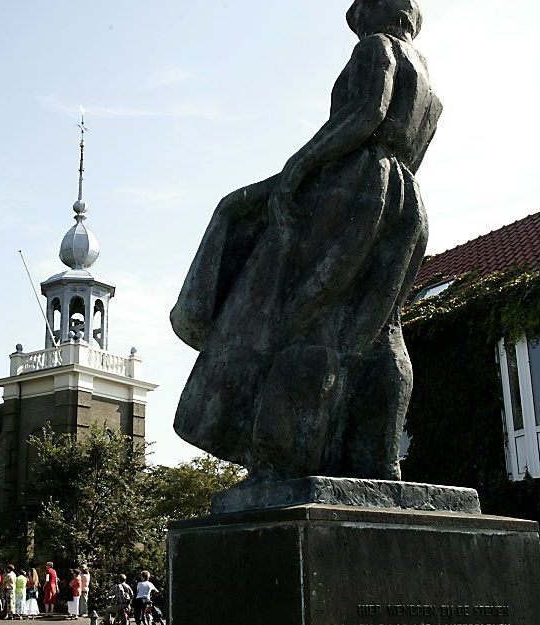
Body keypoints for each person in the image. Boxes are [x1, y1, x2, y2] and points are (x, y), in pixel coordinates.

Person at [170, 0, 441, 482]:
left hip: (355, 186)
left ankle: (281, 463)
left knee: (303, 318)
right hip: (407, 200)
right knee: (381, 330)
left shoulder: (376, 49)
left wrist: (297, 166)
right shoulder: (429, 83)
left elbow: (365, 114)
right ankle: (376, 458)